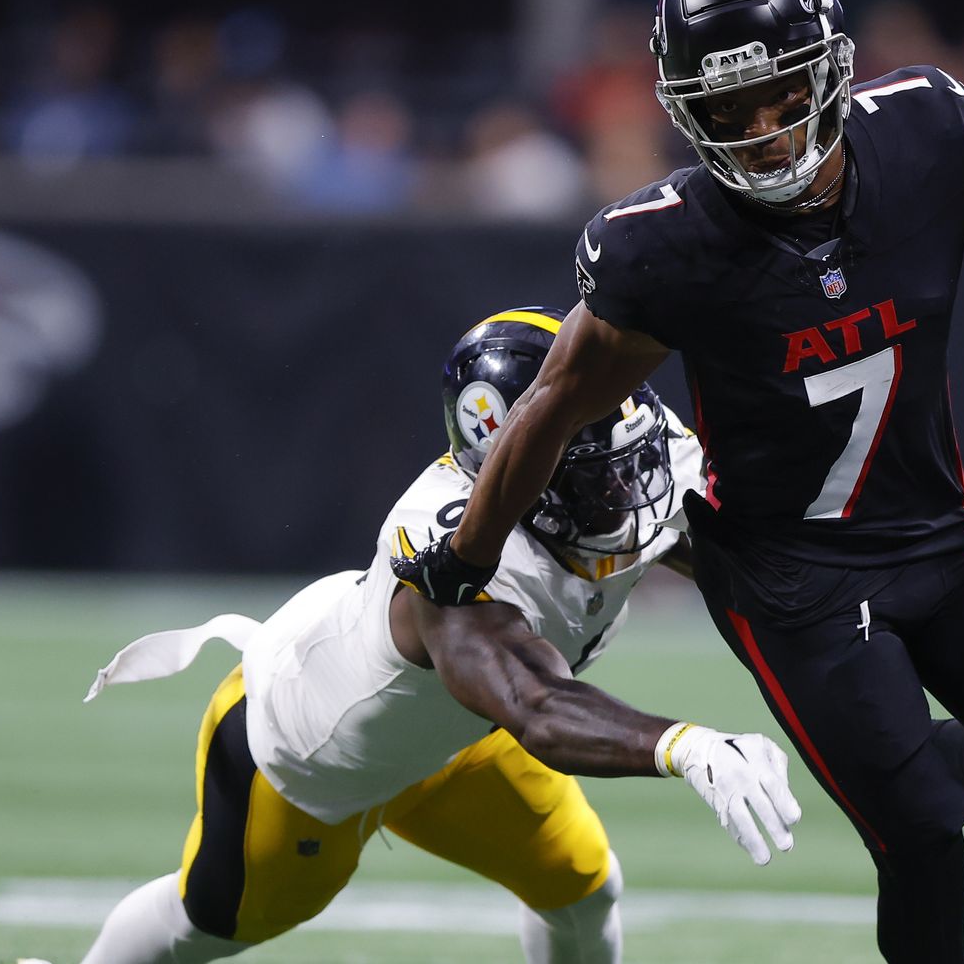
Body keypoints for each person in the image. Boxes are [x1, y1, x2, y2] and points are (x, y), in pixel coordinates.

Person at [393, 0, 964, 963]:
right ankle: (910, 783)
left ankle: (929, 758)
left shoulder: (920, 141)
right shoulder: (667, 249)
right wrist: (465, 558)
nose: (766, 134)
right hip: (789, 580)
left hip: (938, 541)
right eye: (728, 112)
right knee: (920, 835)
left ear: (832, 67)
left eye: (780, 95)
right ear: (688, 111)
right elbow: (552, 404)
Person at [66, 306, 802, 964]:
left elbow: (727, 552)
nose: (623, 487)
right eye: (592, 473)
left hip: (464, 738)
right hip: (312, 759)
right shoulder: (448, 548)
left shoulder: (622, 458)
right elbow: (535, 703)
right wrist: (687, 746)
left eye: (625, 458)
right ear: (519, 471)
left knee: (583, 887)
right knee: (208, 926)